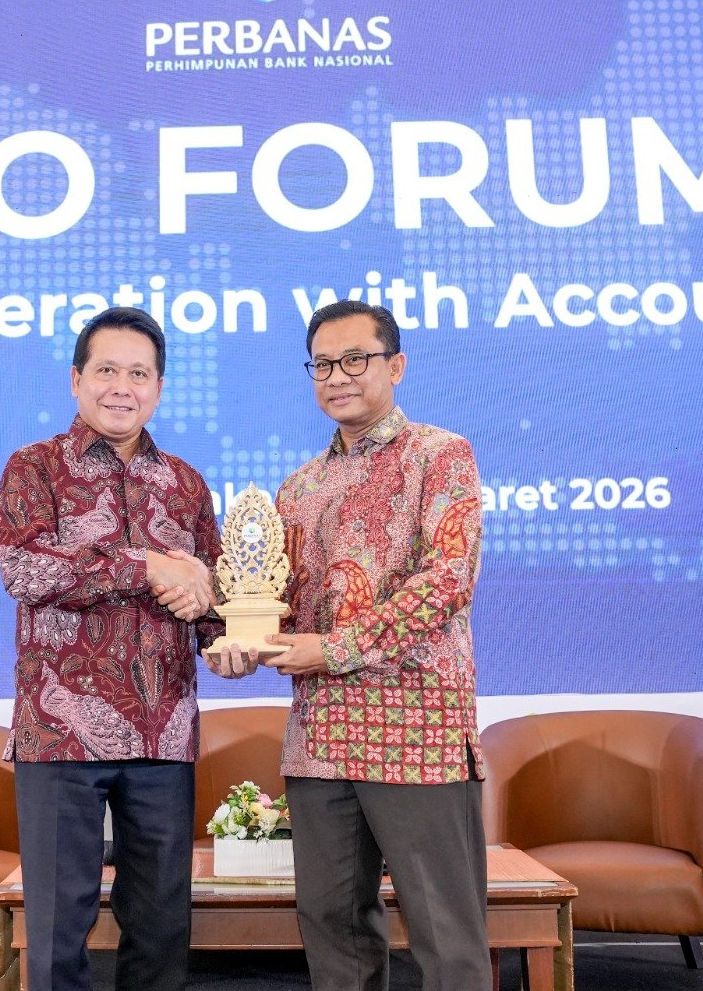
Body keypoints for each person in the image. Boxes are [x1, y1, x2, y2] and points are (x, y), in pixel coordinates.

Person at [208, 300, 492, 991]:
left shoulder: (440, 455)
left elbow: (448, 581)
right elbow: (284, 609)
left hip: (416, 731)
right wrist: (241, 646)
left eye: (355, 359)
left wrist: (332, 650)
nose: (337, 376)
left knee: (445, 936)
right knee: (333, 926)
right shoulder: (298, 488)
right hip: (320, 737)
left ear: (396, 366)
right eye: (323, 364)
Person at [0, 306, 221, 991]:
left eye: (139, 374)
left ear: (159, 387)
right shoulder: (33, 468)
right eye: (107, 370)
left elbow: (210, 591)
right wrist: (148, 565)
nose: (123, 387)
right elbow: (27, 571)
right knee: (57, 929)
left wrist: (226, 640)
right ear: (77, 379)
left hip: (163, 736)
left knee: (160, 926)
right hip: (60, 736)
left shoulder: (186, 483)